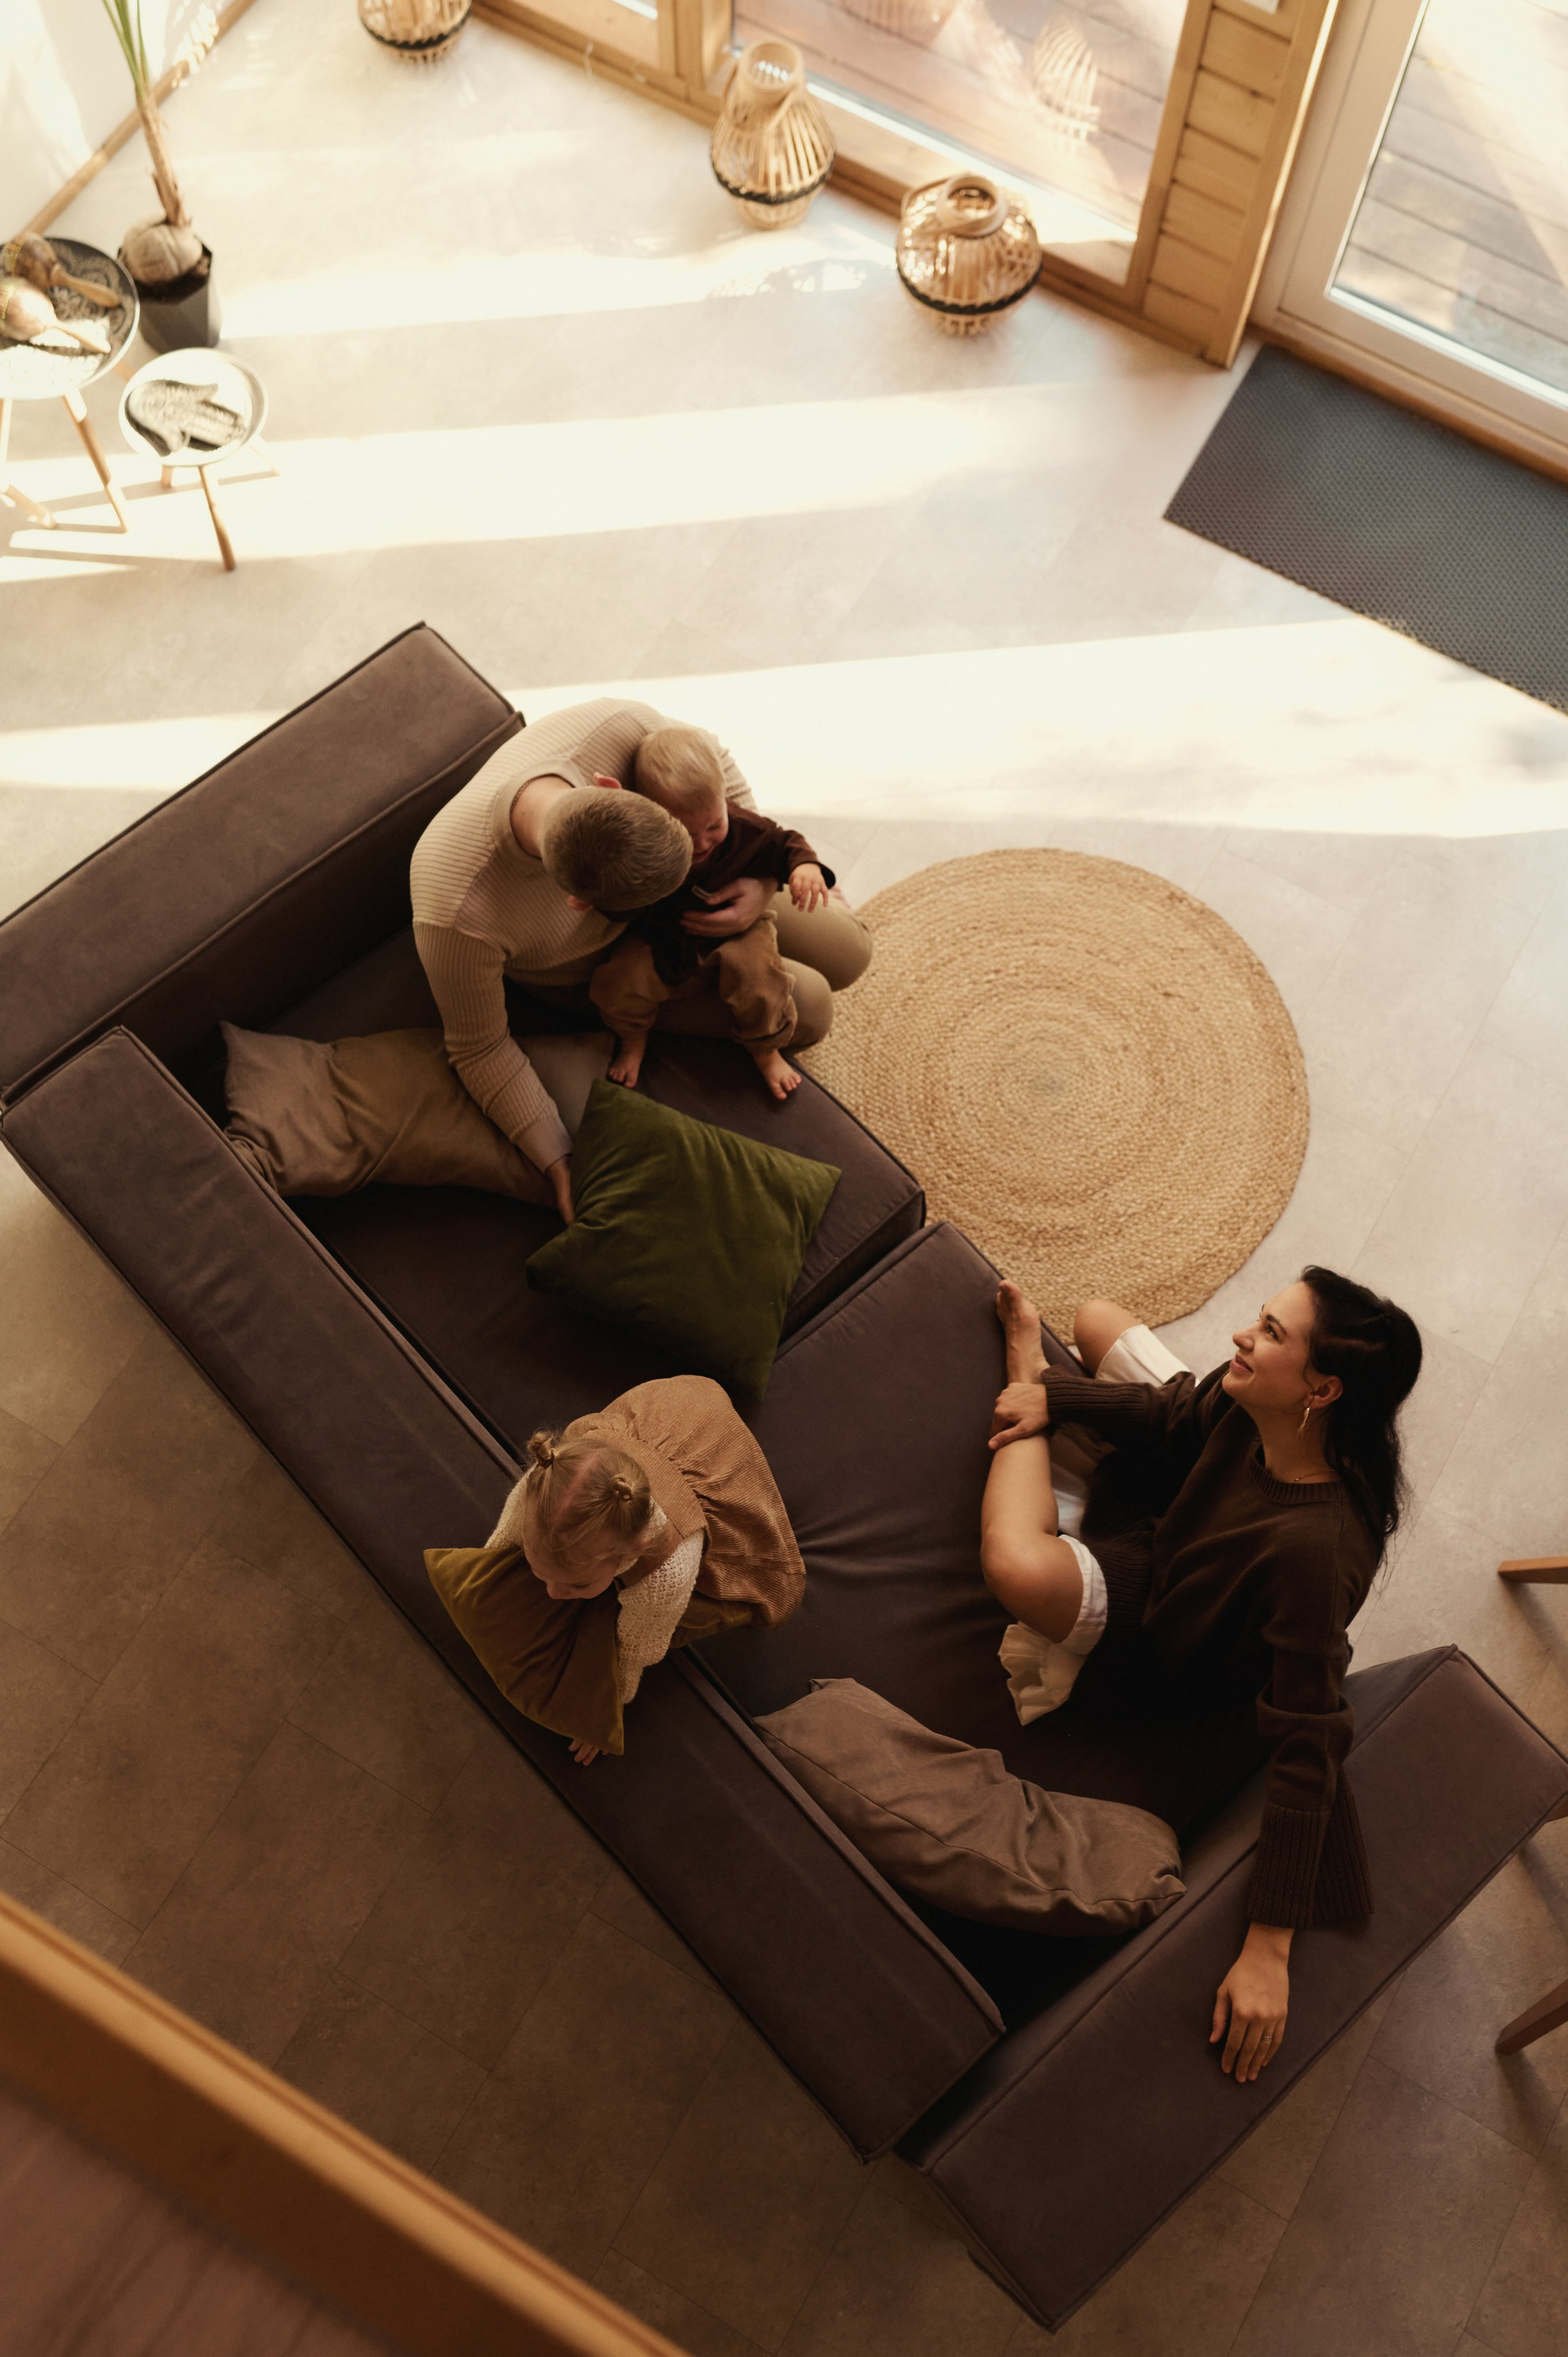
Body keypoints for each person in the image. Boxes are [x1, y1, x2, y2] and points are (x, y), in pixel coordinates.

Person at [982, 1268, 1422, 2087]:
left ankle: (1021, 1379)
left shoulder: (1313, 1557)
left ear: (1322, 1390)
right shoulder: (1258, 1400)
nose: (1240, 1336)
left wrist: (1270, 1945)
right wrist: (1064, 1396)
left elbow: (1310, 1737)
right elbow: (1179, 1414)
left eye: (1270, 1333)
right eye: (1261, 1318)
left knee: (1014, 1564)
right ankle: (1046, 1394)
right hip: (1181, 1502)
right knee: (1097, 1315)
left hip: (1170, 1614)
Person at [410, 698, 871, 1221]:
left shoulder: (614, 727)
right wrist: (558, 1160)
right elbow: (479, 1048)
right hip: (601, 963)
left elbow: (715, 766)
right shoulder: (453, 912)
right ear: (579, 903)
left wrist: (760, 881)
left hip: (714, 882)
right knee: (810, 1009)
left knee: (851, 954)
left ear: (611, 786)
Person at [428, 1375, 805, 1764]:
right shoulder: (543, 1483)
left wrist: (605, 1704)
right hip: (659, 1413)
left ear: (630, 1554)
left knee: (707, 1608)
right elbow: (504, 1540)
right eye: (542, 1574)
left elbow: (637, 1649)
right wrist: (487, 1577)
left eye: (577, 1585)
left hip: (714, 1450)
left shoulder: (667, 1570)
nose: (552, 1593)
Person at [590, 724, 832, 1102]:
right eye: (685, 834)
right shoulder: (644, 848)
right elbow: (623, 903)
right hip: (664, 939)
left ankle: (765, 1049)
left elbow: (784, 843)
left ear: (723, 799)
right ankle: (633, 1038)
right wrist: (599, 895)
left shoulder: (744, 827)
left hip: (741, 932)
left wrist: (806, 867)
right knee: (619, 981)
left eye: (714, 825)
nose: (703, 843)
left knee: (759, 980)